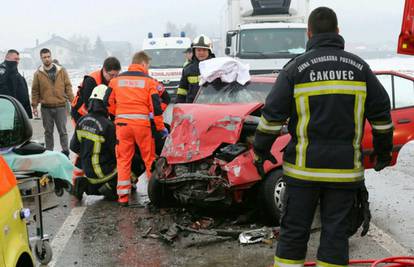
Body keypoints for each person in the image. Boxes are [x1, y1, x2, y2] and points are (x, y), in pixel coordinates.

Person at [253, 7, 393, 267]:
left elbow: (271, 117)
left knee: (294, 232)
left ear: (309, 33)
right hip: (344, 173)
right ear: (338, 32)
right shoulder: (360, 68)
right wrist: (383, 153)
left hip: (302, 173)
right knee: (335, 234)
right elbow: (382, 118)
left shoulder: (295, 69)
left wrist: (260, 151)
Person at [107, 51, 167, 206]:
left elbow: (108, 103)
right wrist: (160, 128)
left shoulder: (116, 81)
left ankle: (123, 197)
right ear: (143, 64)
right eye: (148, 66)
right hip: (142, 127)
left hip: (122, 126)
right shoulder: (149, 82)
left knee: (123, 160)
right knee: (149, 159)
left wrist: (118, 116)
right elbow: (156, 107)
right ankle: (155, 196)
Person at [70, 85, 118, 201]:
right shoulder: (108, 125)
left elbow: (74, 147)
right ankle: (110, 187)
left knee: (96, 181)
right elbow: (117, 153)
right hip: (104, 174)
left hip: (89, 174)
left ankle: (84, 184)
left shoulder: (82, 120)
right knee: (132, 162)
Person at [31, 48, 74, 156]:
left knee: (63, 132)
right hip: (46, 108)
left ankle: (65, 153)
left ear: (51, 56)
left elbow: (68, 86)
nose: (47, 59)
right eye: (44, 57)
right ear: (41, 59)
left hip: (61, 106)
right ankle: (49, 154)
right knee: (48, 132)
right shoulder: (38, 74)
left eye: (48, 56)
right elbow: (35, 90)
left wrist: (72, 101)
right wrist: (34, 106)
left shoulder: (61, 71)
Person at [71, 57, 121, 123]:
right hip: (81, 113)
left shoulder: (114, 81)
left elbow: (113, 102)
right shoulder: (91, 80)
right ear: (104, 70)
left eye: (117, 75)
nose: (114, 78)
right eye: (111, 75)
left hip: (98, 113)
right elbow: (88, 104)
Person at [175, 35, 215, 103]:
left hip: (213, 106)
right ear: (194, 51)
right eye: (198, 50)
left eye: (204, 50)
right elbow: (182, 91)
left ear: (209, 51)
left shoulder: (217, 67)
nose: (201, 53)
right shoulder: (188, 69)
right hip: (193, 108)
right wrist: (179, 108)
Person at [0, 49, 32, 118]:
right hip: (9, 111)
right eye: (15, 59)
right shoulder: (3, 70)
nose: (17, 61)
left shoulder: (13, 70)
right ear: (7, 58)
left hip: (20, 110)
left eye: (18, 59)